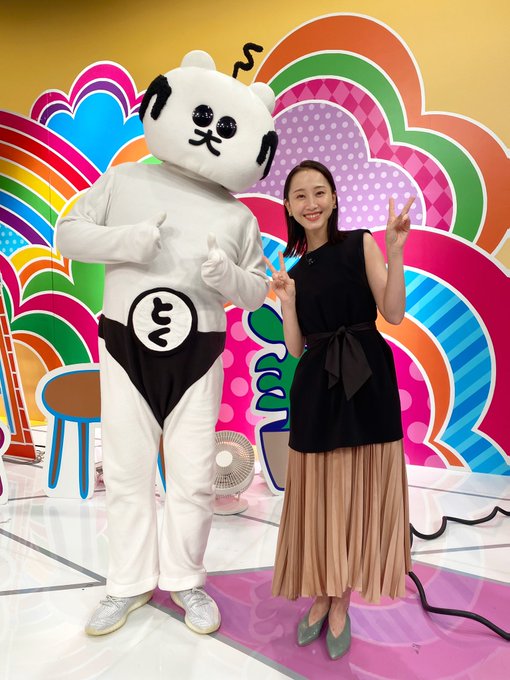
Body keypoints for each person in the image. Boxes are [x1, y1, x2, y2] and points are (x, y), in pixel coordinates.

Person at [56, 50, 276, 637]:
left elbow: (258, 290)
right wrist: (128, 242)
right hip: (125, 344)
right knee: (126, 470)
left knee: (194, 474)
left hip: (198, 353)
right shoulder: (126, 179)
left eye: (227, 126)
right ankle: (126, 584)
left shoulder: (238, 216)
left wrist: (227, 278)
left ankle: (186, 579)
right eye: (204, 116)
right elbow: (68, 234)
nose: (211, 131)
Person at [266, 159, 413, 660]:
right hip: (316, 387)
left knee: (357, 493)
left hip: (367, 379)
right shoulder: (293, 272)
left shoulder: (360, 243)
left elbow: (393, 312)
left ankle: (341, 600)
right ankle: (323, 592)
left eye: (319, 192)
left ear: (333, 198)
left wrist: (395, 250)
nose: (311, 203)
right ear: (289, 207)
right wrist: (286, 301)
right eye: (300, 195)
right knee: (321, 494)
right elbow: (294, 348)